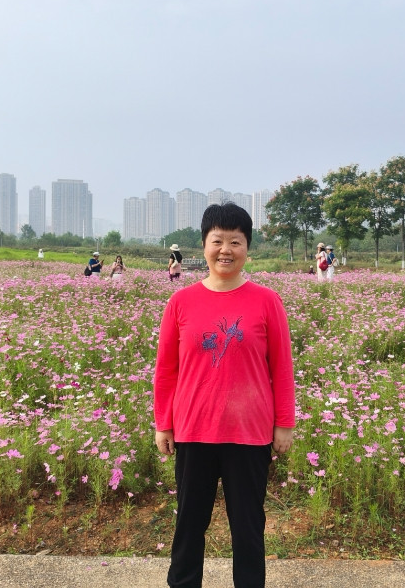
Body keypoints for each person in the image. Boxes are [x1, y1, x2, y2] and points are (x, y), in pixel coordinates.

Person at [154, 202, 295, 588]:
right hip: (193, 428)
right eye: (217, 241)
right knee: (189, 522)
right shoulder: (180, 302)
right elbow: (166, 370)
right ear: (204, 245)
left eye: (236, 241)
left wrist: (284, 423)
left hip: (249, 432)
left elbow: (282, 367)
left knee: (248, 525)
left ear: (247, 247)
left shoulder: (267, 301)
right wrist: (163, 424)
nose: (226, 250)